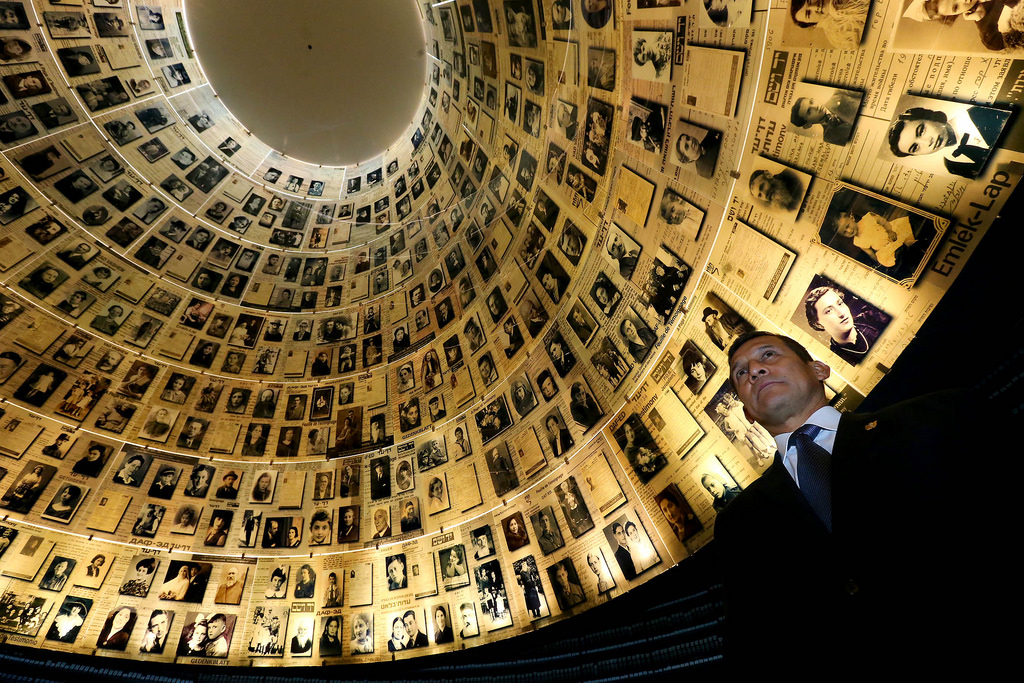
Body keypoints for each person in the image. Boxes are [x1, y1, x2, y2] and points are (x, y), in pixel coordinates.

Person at [716, 330, 985, 671]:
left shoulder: (938, 416)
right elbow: (751, 643)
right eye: (741, 373)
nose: (753, 370)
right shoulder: (738, 523)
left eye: (767, 355)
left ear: (819, 370)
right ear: (748, 414)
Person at [886, 104, 1007, 178]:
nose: (927, 142)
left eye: (922, 131)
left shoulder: (979, 112)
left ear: (930, 118)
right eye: (915, 147)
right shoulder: (951, 165)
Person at [788, 0, 870, 50]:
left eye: (810, 1)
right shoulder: (838, 37)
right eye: (809, 13)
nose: (815, 7)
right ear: (813, 24)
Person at [790, 90, 859, 145]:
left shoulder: (840, 94)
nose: (815, 106)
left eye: (812, 102)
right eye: (809, 111)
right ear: (808, 125)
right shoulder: (830, 140)